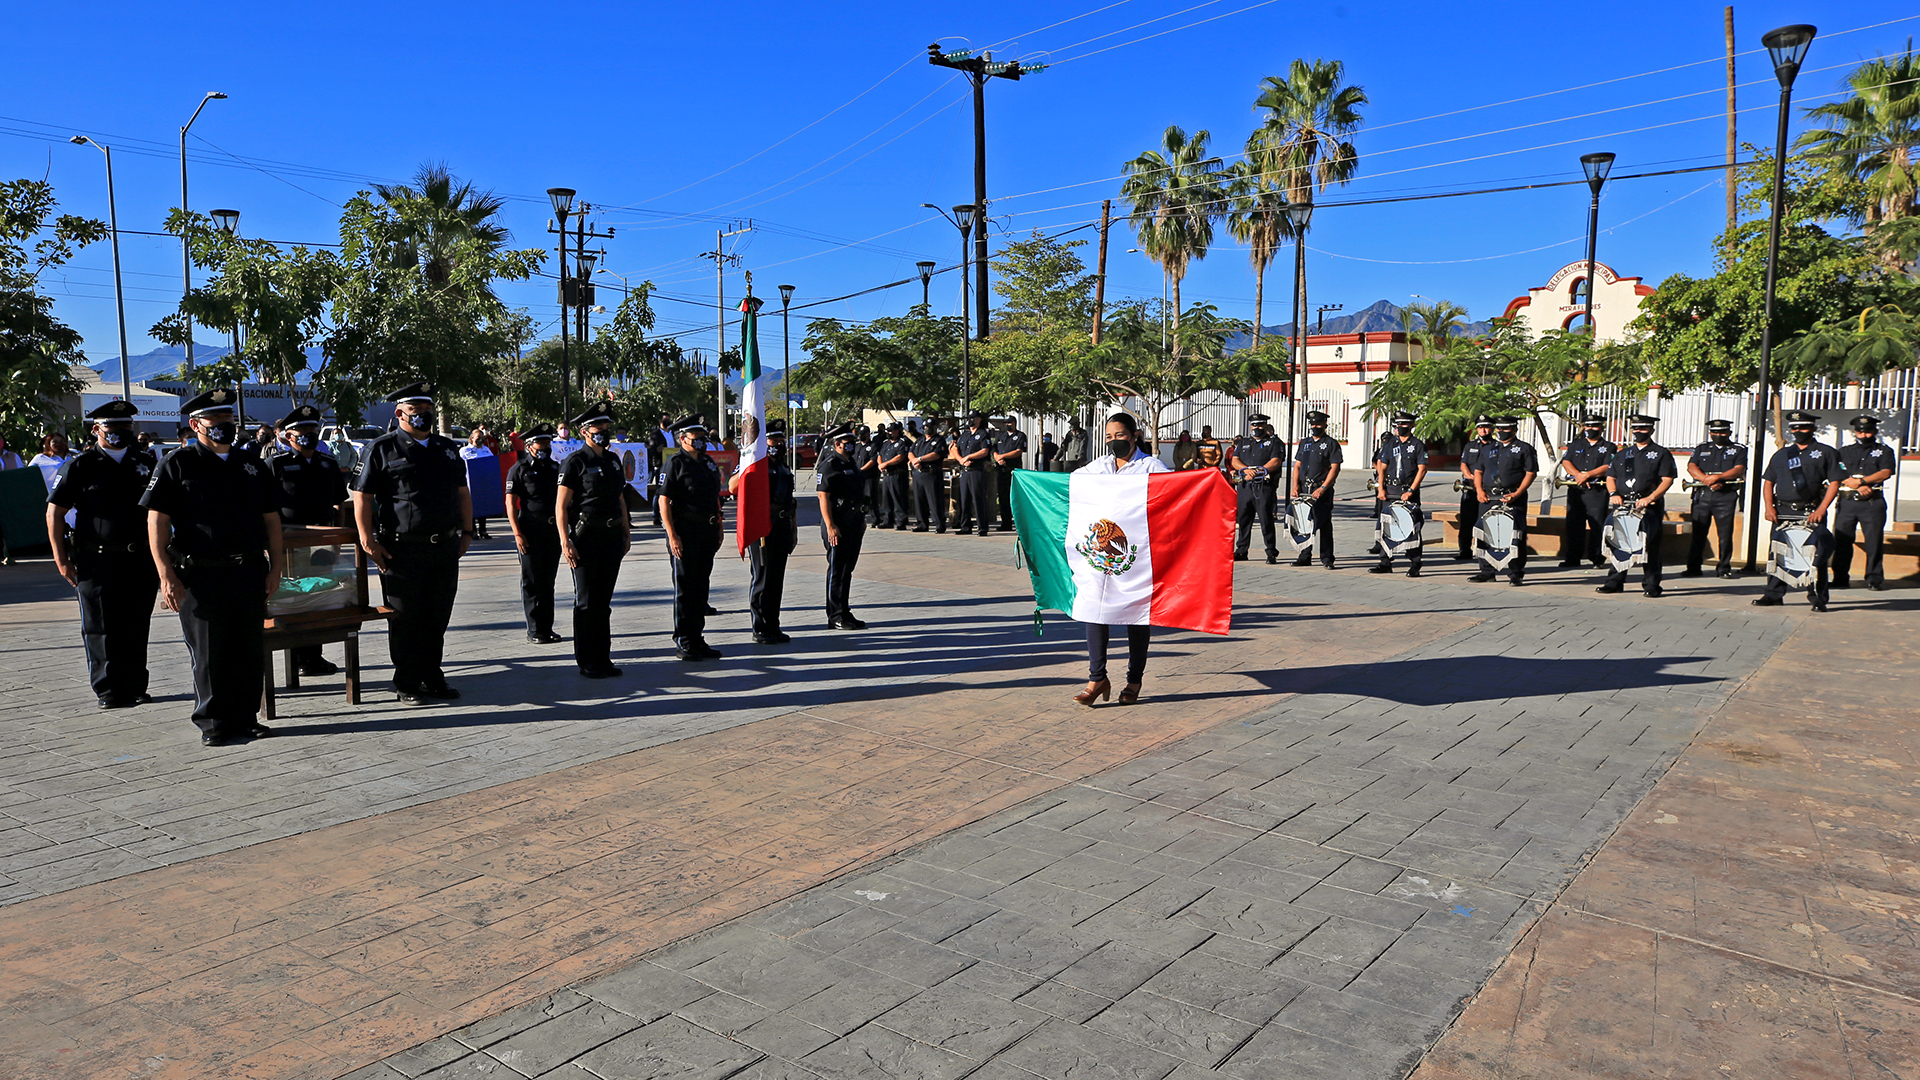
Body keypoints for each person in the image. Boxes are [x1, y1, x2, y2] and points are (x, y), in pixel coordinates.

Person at [139, 388, 284, 746]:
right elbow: (157, 520)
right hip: (201, 574)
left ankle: (246, 716)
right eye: (215, 420)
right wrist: (165, 574)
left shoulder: (251, 465)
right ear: (195, 425)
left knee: (247, 648)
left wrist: (277, 566)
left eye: (228, 419)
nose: (224, 426)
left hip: (248, 570)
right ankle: (214, 721)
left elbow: (271, 520)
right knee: (209, 651)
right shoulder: (177, 463)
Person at [352, 382, 472, 705]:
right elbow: (360, 495)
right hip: (402, 550)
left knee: (437, 615)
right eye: (416, 413)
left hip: (444, 547)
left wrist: (468, 532)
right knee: (406, 617)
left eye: (427, 412)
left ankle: (433, 676)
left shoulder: (447, 449)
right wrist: (367, 539)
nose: (423, 418)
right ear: (400, 413)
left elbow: (462, 492)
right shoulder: (381, 449)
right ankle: (407, 680)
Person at [47, 401, 161, 710]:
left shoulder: (145, 462)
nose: (121, 433)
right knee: (100, 626)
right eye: (113, 428)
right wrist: (61, 559)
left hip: (139, 559)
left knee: (136, 624)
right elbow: (55, 513)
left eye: (126, 427)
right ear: (97, 429)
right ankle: (108, 689)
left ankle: (136, 684)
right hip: (97, 560)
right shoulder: (81, 465)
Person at [1072, 412, 1169, 708]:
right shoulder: (1098, 467)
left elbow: (1173, 497)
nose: (1114, 442)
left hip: (1137, 555)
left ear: (1135, 435)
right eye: (1109, 437)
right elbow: (1070, 486)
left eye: (1120, 436)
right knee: (1094, 608)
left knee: (1135, 615)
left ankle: (1133, 680)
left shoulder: (1151, 466)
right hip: (1100, 556)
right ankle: (1096, 678)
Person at [267, 403, 350, 677]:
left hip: (324, 540)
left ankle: (314, 656)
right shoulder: (277, 465)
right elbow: (265, 510)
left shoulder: (328, 464)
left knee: (318, 596)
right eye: (302, 430)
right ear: (288, 436)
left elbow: (340, 503)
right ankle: (298, 657)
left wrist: (337, 539)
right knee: (294, 598)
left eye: (312, 430)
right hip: (290, 542)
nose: (309, 435)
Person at [557, 402, 630, 678]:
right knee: (587, 601)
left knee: (603, 600)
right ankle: (587, 660)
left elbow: (620, 497)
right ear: (586, 431)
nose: (605, 432)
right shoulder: (575, 461)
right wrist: (566, 540)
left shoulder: (612, 460)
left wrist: (626, 530)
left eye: (607, 427)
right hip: (586, 537)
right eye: (600, 428)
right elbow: (561, 505)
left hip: (611, 535)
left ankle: (603, 657)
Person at [1754, 411, 1841, 611]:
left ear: (1812, 428)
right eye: (1794, 428)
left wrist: (1821, 509)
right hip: (1782, 512)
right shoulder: (1782, 454)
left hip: (1810, 512)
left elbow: (1835, 482)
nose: (1798, 431)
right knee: (1778, 554)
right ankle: (1773, 594)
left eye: (1802, 427)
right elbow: (1768, 482)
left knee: (1814, 556)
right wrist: (1769, 507)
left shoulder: (1826, 452)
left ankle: (1817, 598)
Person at [659, 416, 724, 660]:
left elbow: (714, 495)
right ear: (683, 439)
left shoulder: (707, 462)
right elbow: (663, 500)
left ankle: (697, 638)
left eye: (703, 438)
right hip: (685, 531)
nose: (701, 442)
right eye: (696, 439)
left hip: (707, 530)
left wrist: (719, 522)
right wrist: (672, 534)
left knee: (701, 587)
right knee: (685, 589)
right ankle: (684, 640)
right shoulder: (675, 463)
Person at [1596, 414, 1676, 597]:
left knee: (1650, 546)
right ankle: (1614, 582)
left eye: (1643, 429)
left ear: (1651, 430)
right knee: (1619, 543)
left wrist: (1651, 497)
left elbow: (1667, 479)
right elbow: (1611, 476)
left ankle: (1652, 586)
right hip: (1623, 504)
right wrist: (1613, 493)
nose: (1638, 432)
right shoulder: (1624, 453)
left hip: (1648, 506)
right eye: (1635, 429)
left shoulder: (1661, 453)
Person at [736, 419, 797, 643]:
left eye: (781, 440)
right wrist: (748, 467)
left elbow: (790, 501)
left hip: (781, 524)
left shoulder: (783, 466)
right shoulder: (754, 462)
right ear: (764, 441)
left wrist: (793, 530)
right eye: (774, 439)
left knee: (776, 579)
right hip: (761, 526)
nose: (778, 444)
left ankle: (773, 624)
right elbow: (732, 486)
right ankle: (760, 627)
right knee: (762, 577)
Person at [507, 423, 564, 645]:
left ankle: (547, 627)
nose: (545, 447)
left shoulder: (555, 468)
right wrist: (517, 533)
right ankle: (534, 629)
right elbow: (510, 504)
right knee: (531, 580)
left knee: (548, 581)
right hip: (529, 529)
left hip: (551, 530)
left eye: (548, 443)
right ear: (530, 446)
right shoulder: (519, 469)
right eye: (541, 443)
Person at [1470, 417, 1539, 585]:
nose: (1501, 432)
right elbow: (1478, 470)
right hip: (1488, 498)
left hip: (1512, 499)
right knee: (1486, 534)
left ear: (1514, 429)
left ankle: (1516, 573)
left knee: (1514, 536)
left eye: (1505, 429)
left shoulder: (1524, 449)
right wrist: (1479, 490)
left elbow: (1531, 473)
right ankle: (1487, 570)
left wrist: (1517, 493)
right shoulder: (1489, 448)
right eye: (1499, 429)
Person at [816, 423, 870, 628]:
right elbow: (823, 496)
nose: (852, 446)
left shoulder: (852, 463)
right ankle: (835, 615)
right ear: (837, 444)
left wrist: (862, 520)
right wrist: (830, 525)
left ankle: (845, 611)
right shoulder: (830, 465)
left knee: (848, 568)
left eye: (853, 442)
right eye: (848, 443)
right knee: (837, 569)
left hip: (854, 521)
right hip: (837, 522)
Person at [1833, 414, 1895, 591]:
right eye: (1860, 431)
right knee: (1842, 541)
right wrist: (1855, 485)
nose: (1864, 435)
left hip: (1872, 503)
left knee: (1873, 542)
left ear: (1874, 431)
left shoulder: (1884, 451)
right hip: (1847, 503)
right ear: (1855, 432)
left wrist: (1861, 482)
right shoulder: (1844, 451)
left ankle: (1874, 578)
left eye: (1867, 431)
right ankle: (1840, 578)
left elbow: (1886, 472)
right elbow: (1837, 471)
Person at [1682, 419, 1747, 580]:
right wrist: (1706, 479)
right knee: (1698, 533)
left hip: (1725, 496)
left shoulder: (1738, 449)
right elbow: (1691, 466)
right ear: (1710, 433)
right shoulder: (1701, 448)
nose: (1719, 435)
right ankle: (1693, 567)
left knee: (1725, 535)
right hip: (1702, 495)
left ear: (1729, 433)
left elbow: (1739, 469)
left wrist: (1718, 478)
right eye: (1715, 432)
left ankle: (1724, 567)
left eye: (1723, 432)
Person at [1370, 411, 1429, 577]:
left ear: (1412, 425)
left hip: (1407, 492)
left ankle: (1415, 562)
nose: (1400, 427)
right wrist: (1380, 488)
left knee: (1410, 527)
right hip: (1390, 491)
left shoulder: (1418, 445)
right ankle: (1384, 561)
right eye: (1398, 424)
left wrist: (1411, 490)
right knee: (1385, 525)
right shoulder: (1390, 444)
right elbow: (1381, 466)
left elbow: (1422, 469)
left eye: (1404, 424)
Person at [1557, 412, 1614, 569]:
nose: (1590, 428)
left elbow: (1608, 466)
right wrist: (1577, 475)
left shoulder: (1609, 447)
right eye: (1587, 425)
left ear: (1602, 428)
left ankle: (1597, 558)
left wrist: (1587, 475)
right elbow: (1566, 461)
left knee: (1597, 525)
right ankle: (1572, 558)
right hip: (1577, 491)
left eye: (1594, 425)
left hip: (1597, 491)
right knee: (1574, 525)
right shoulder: (1576, 444)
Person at [1289, 410, 1342, 570]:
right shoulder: (1304, 443)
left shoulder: (1331, 443)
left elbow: (1335, 467)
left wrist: (1323, 487)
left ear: (1325, 424)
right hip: (1304, 488)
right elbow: (1297, 465)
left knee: (1324, 523)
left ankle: (1327, 558)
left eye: (1318, 424)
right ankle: (1304, 556)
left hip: (1321, 490)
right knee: (1304, 523)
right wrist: (1295, 485)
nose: (1315, 427)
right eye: (1312, 424)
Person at [1231, 414, 1285, 563]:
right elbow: (1235, 460)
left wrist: (1260, 471)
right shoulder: (1244, 442)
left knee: (1266, 520)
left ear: (1266, 426)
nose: (1257, 428)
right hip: (1245, 487)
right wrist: (1246, 470)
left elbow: (1276, 461)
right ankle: (1242, 551)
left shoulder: (1274, 443)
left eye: (1260, 425)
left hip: (1264, 487)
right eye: (1254, 425)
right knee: (1243, 520)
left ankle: (1271, 551)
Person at [1456, 416, 1494, 562]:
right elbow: (1464, 464)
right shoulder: (1470, 445)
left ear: (1491, 428)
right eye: (1480, 427)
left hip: (1487, 491)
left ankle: (1483, 550)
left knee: (1485, 522)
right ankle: (1464, 550)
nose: (1483, 430)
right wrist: (1472, 479)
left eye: (1486, 427)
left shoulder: (1496, 446)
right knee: (1466, 522)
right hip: (1470, 490)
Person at [953, 411, 993, 536]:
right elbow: (954, 449)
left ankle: (982, 527)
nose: (971, 421)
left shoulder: (983, 434)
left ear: (979, 420)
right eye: (969, 418)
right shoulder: (964, 435)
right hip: (965, 471)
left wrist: (969, 456)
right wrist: (961, 460)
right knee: (964, 500)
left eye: (973, 418)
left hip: (977, 471)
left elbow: (984, 451)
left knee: (978, 499)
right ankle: (965, 526)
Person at [911, 419, 948, 533]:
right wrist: (913, 460)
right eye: (925, 426)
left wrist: (921, 459)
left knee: (934, 501)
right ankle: (922, 524)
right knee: (919, 501)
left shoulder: (939, 440)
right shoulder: (920, 440)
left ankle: (939, 524)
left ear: (935, 427)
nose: (927, 428)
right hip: (918, 474)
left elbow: (936, 454)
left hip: (931, 474)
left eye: (929, 426)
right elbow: (911, 452)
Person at [992, 416, 1028, 532]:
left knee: (1015, 498)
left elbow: (1018, 451)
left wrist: (1003, 456)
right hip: (1001, 470)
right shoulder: (1001, 436)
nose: (1008, 424)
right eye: (1006, 423)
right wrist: (997, 458)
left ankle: (1018, 523)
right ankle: (1005, 523)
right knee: (1003, 498)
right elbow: (994, 449)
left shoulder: (1020, 436)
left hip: (1013, 470)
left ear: (1014, 423)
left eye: (1010, 422)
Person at [460, 427, 496, 539]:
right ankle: (473, 531)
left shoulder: (486, 450)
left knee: (483, 507)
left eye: (482, 438)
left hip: (483, 483)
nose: (480, 440)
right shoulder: (464, 451)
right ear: (471, 438)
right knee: (471, 507)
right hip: (470, 484)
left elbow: (491, 463)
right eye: (478, 438)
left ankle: (483, 530)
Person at [877, 422, 912, 530]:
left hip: (897, 474)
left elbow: (900, 457)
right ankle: (888, 520)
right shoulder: (886, 443)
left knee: (898, 498)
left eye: (891, 431)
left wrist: (886, 464)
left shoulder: (902, 442)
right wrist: (880, 464)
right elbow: (880, 455)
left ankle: (901, 521)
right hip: (886, 474)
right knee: (886, 499)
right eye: (888, 431)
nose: (889, 433)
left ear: (897, 431)